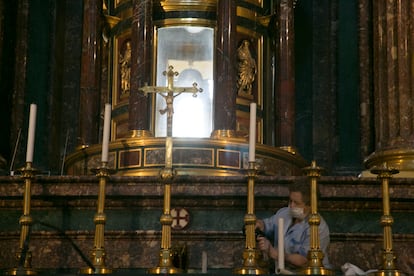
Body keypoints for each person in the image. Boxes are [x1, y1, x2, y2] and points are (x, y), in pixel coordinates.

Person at [256, 177, 332, 271]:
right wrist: (258, 224)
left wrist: (275, 253)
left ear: (311, 205)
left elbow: (305, 261)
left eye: (296, 203)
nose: (291, 206)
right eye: (290, 201)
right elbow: (268, 225)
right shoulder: (285, 213)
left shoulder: (318, 228)